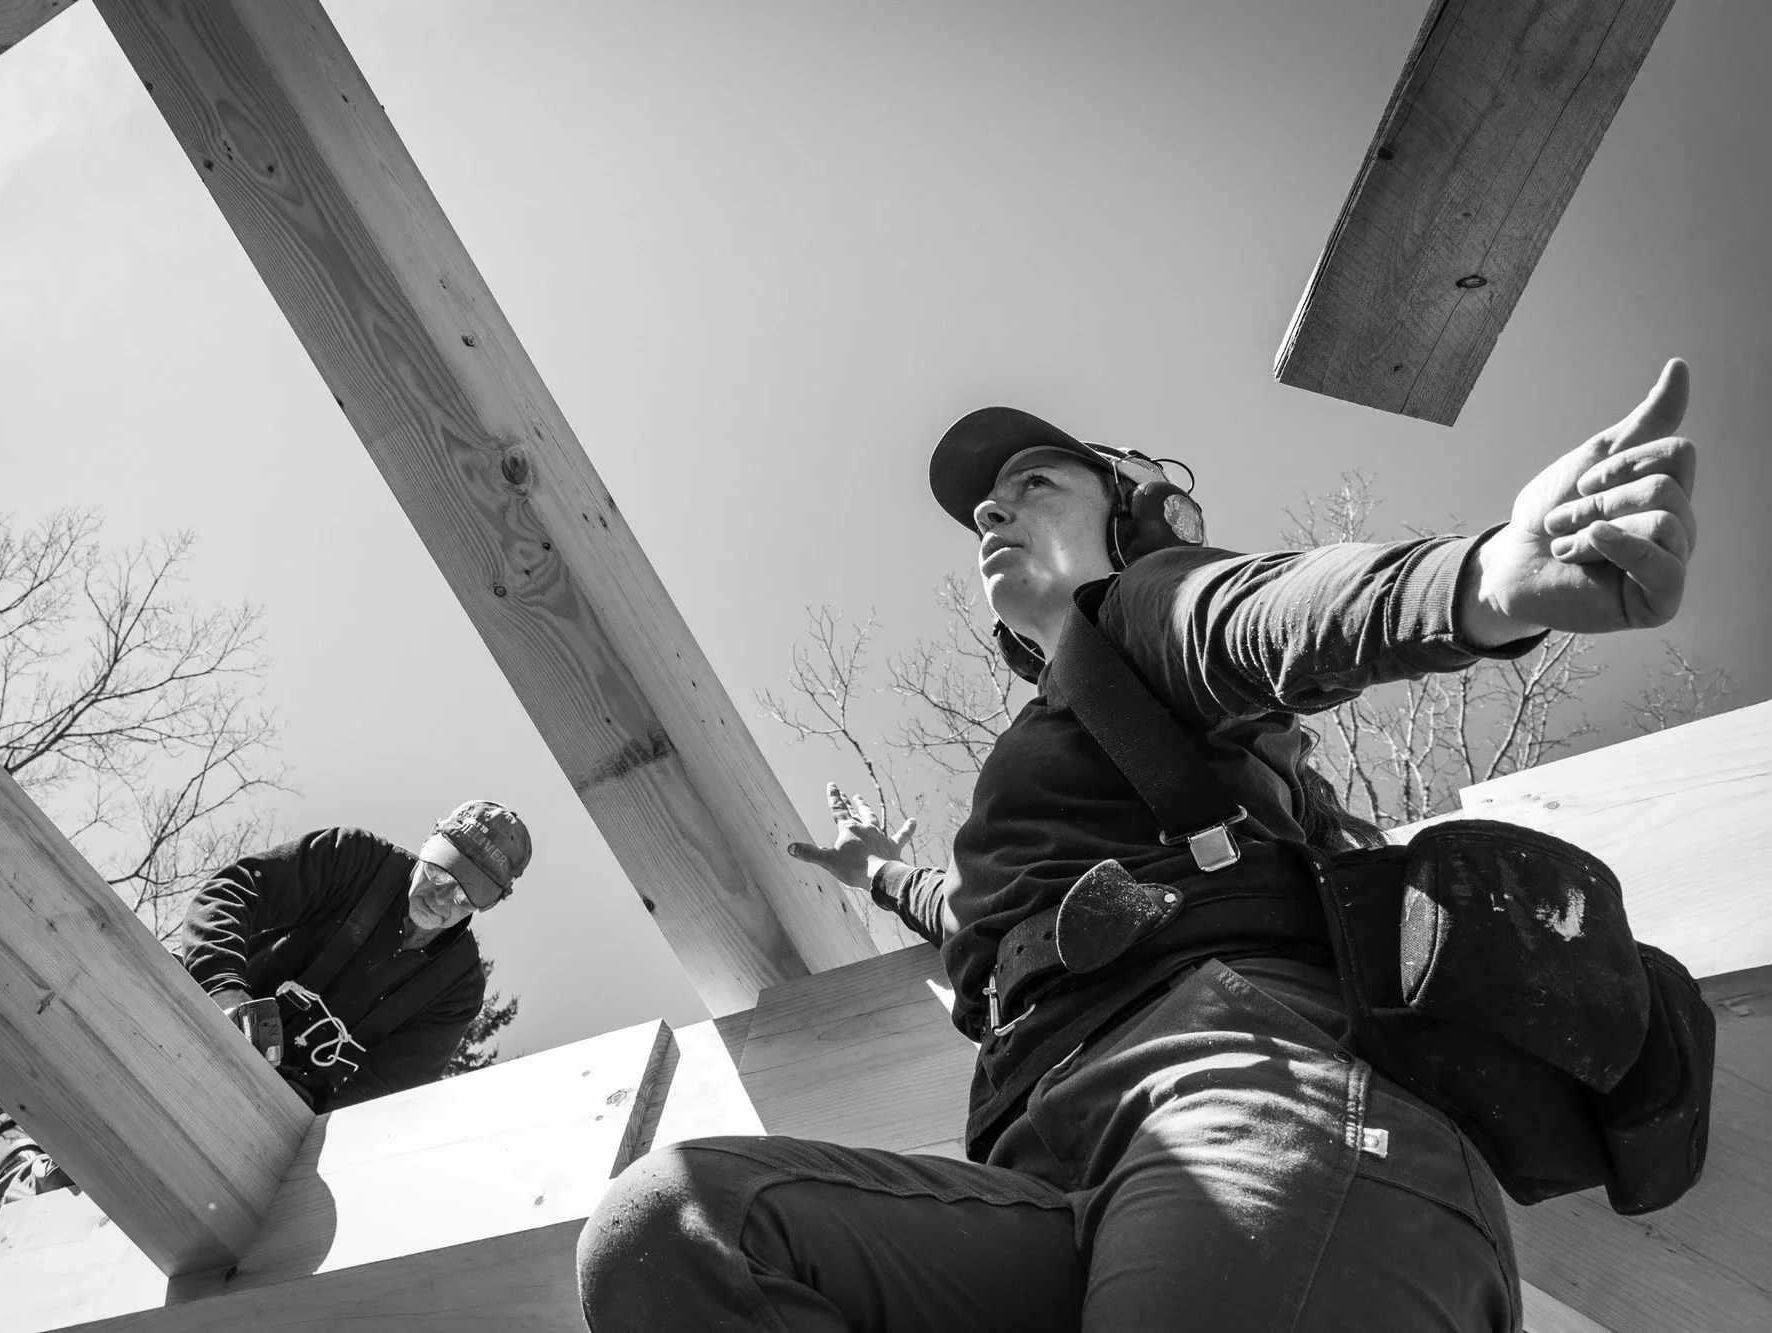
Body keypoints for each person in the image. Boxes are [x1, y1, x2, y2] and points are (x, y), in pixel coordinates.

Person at [575, 362, 1699, 1331]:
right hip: (1039, 1171)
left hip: (1242, 1099)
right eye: (981, 506)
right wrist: (875, 871)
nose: (989, 511)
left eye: (1033, 483)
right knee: (686, 1221)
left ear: (1133, 518)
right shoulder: (1046, 746)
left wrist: (1481, 582)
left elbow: (1258, 616)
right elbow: (987, 926)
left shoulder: (1143, 611)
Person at [178, 800, 531, 1111]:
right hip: (194, 1021)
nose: (441, 899)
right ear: (428, 844)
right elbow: (231, 896)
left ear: (490, 903)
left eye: (463, 898)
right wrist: (223, 990)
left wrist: (303, 1117)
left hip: (277, 1115)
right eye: (439, 873)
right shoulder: (353, 859)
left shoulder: (457, 988)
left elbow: (385, 1095)